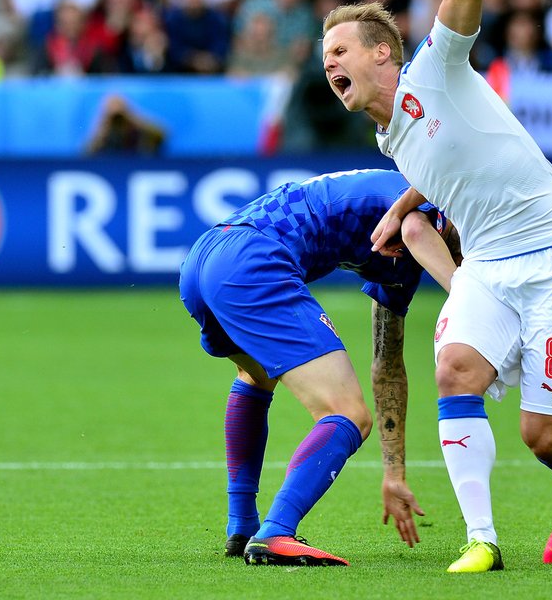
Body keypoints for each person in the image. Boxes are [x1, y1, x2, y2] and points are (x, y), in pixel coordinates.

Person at [322, 0, 552, 573]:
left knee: (543, 437)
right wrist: (403, 204)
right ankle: (481, 539)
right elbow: (444, 165)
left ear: (381, 54)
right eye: (324, 58)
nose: (330, 63)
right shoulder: (387, 135)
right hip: (486, 264)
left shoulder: (435, 69)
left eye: (340, 50)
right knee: (453, 369)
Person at [179, 168, 462, 567]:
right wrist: (468, 295)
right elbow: (416, 229)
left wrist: (394, 473)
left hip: (205, 258)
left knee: (256, 375)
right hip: (252, 259)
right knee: (347, 413)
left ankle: (241, 524)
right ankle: (277, 531)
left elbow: (387, 364)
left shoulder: (404, 265)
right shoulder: (428, 208)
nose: (470, 260)